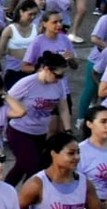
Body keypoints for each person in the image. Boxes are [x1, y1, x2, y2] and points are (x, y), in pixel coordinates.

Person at [5, 52, 71, 187]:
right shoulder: (27, 83)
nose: (59, 79)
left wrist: (68, 129)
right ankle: (28, 197)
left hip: (40, 133)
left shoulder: (59, 84)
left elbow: (63, 108)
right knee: (33, 167)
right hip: (20, 131)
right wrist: (16, 113)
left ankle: (5, 192)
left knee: (22, 167)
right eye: (57, 75)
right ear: (46, 69)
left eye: (62, 76)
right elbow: (6, 101)